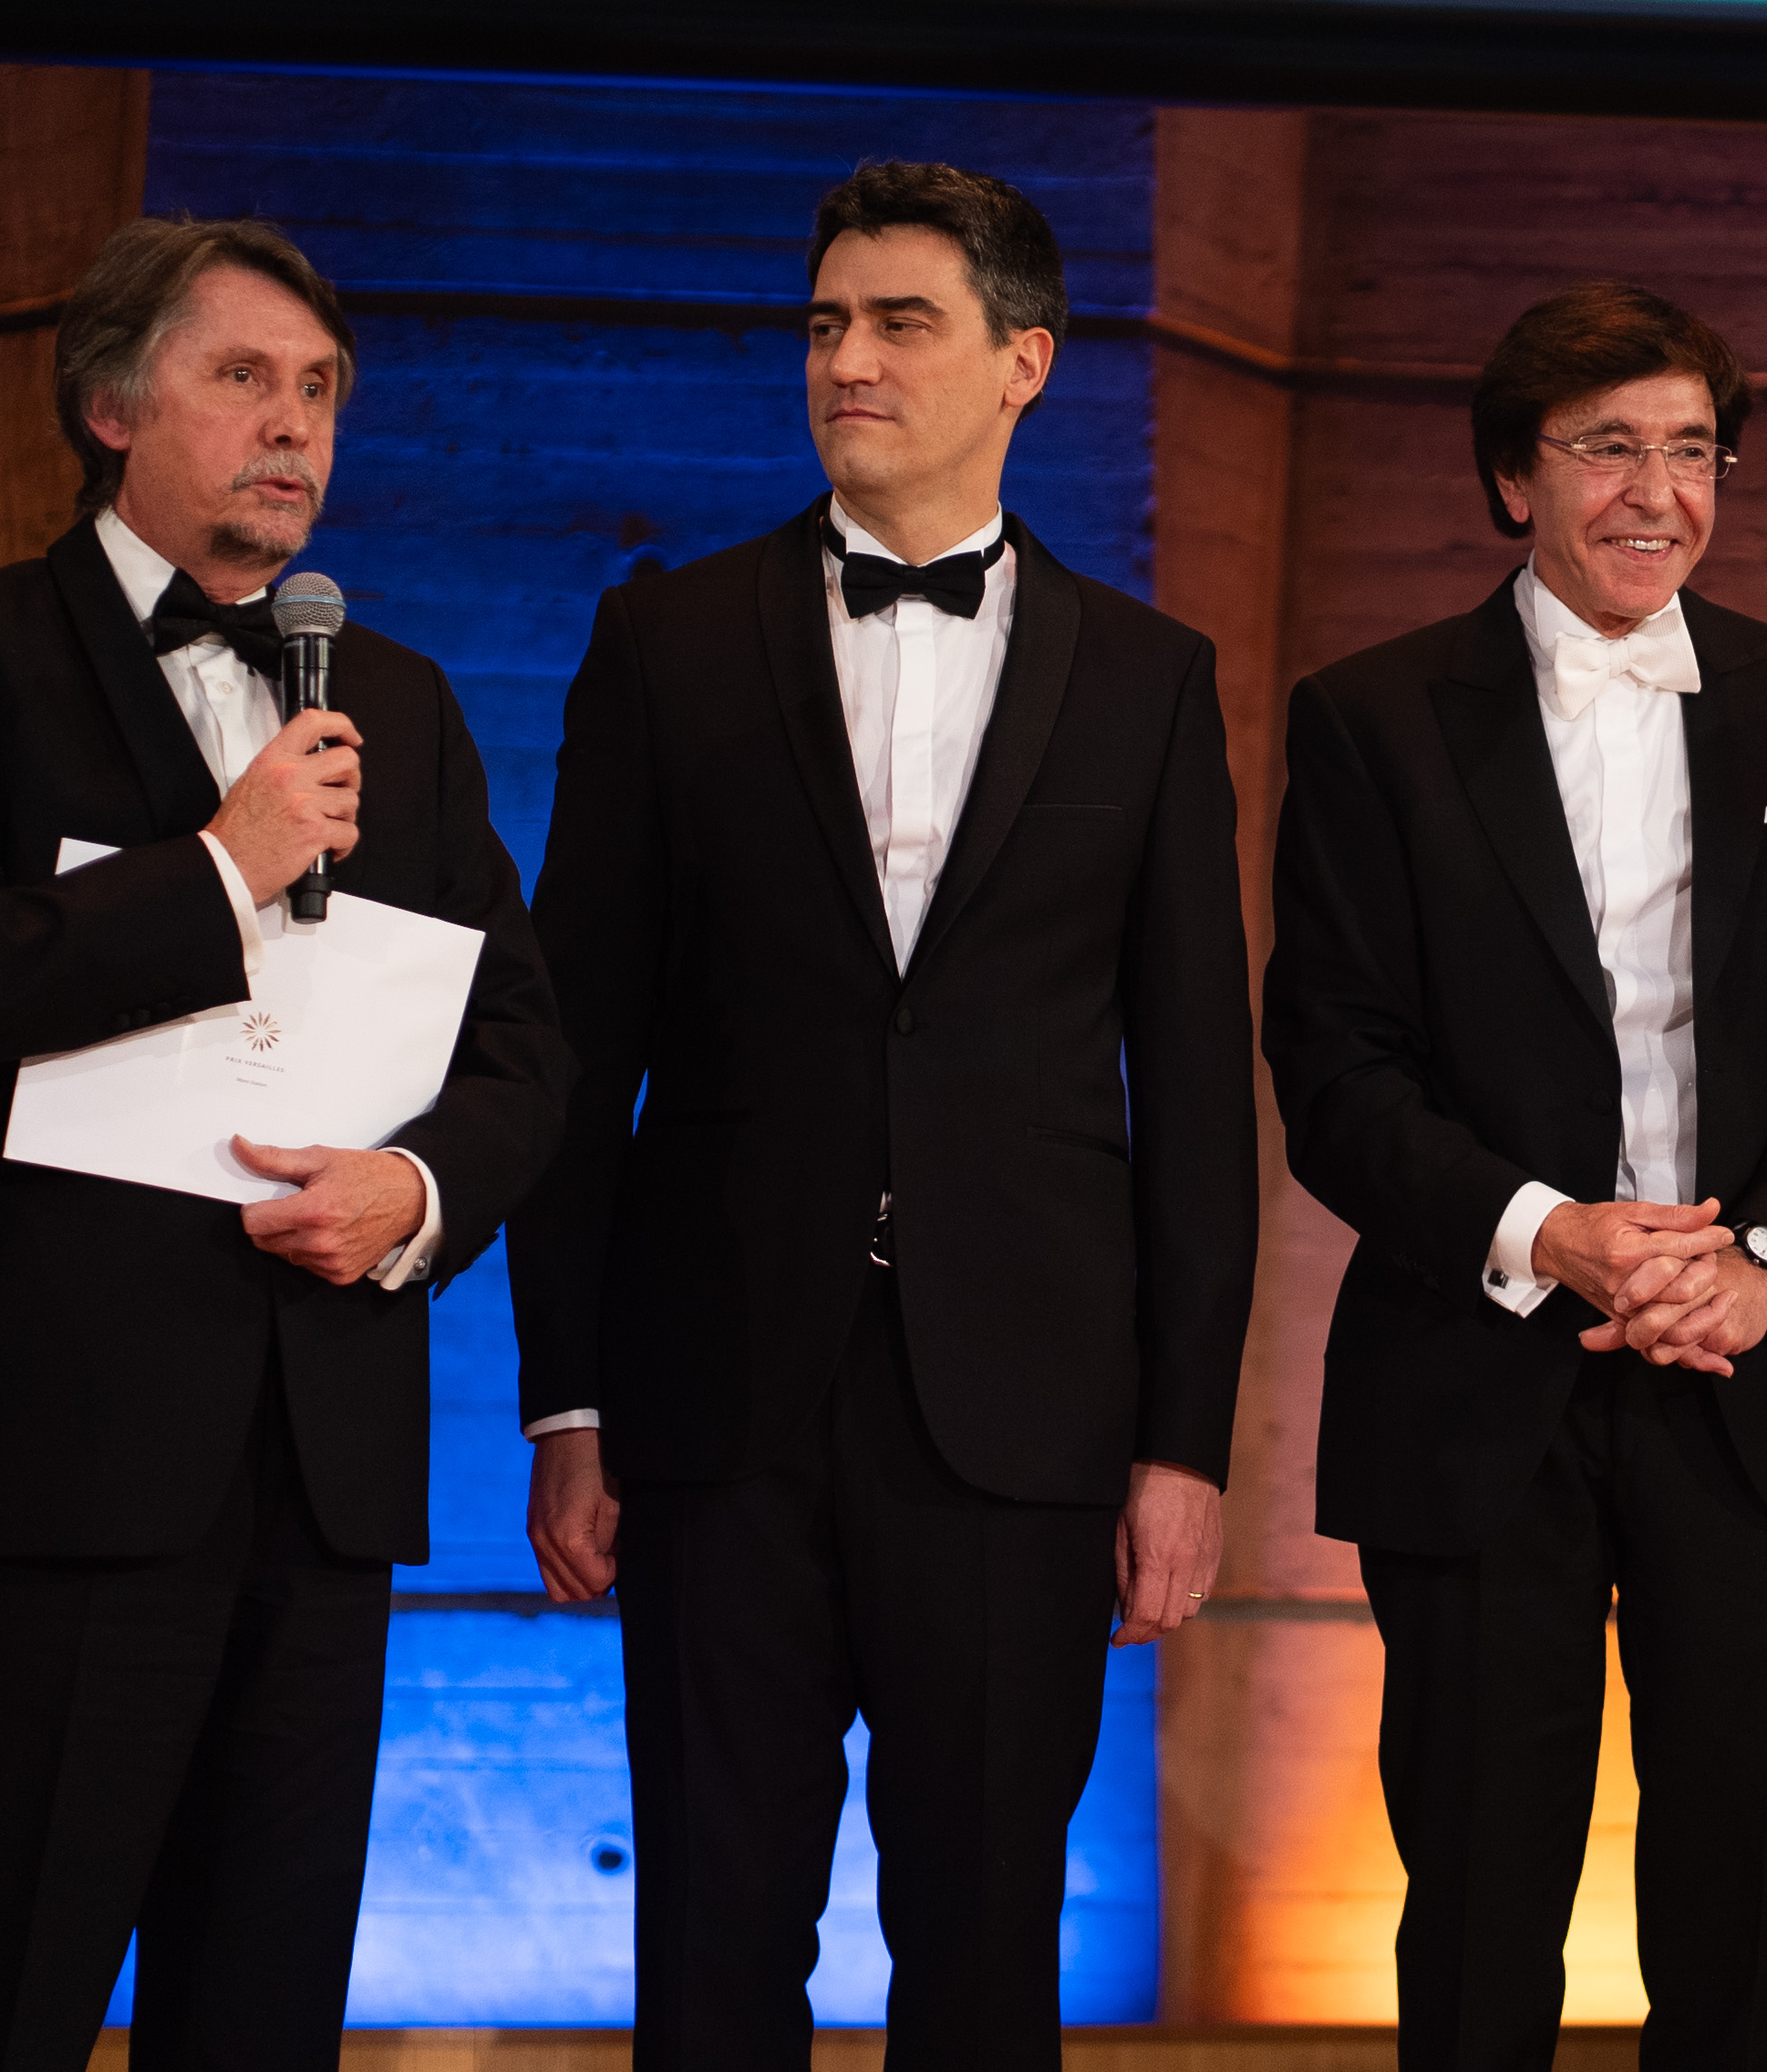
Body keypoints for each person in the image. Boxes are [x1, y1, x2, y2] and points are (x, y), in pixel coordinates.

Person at [505, 161, 1256, 2067]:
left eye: (900, 322)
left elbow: (1194, 1089)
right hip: (715, 1401)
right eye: (826, 321)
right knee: (711, 1941)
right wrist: (567, 1401)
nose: (847, 359)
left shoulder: (1152, 681)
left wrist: (1183, 1443)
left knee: (988, 1954)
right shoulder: (667, 645)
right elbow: (573, 1051)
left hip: (1021, 1418)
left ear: (1024, 362)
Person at [0, 215, 569, 2067]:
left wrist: (415, 1191)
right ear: (109, 405)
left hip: (319, 1492)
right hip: (52, 1491)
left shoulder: (399, 698)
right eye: (243, 378)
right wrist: (222, 867)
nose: (293, 425)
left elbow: (521, 1047)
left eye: (319, 390)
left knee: (261, 2027)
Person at [1261, 281, 1767, 2070]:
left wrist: (1760, 1258)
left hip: (1755, 1375)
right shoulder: (1372, 718)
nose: (1659, 492)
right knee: (1479, 1921)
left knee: (1741, 1915)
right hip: (1479, 1376)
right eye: (1609, 449)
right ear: (1514, 479)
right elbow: (1334, 1069)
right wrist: (1549, 1233)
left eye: (1693, 451)